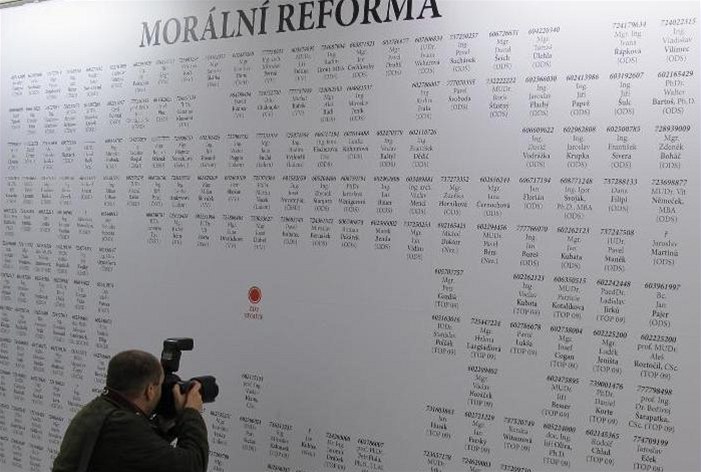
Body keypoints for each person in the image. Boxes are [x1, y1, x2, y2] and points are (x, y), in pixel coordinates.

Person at [52, 349, 209, 472]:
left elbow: (144, 452)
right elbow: (193, 466)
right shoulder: (122, 425)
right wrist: (191, 412)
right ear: (150, 390)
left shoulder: (98, 410)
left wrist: (167, 422)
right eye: (160, 385)